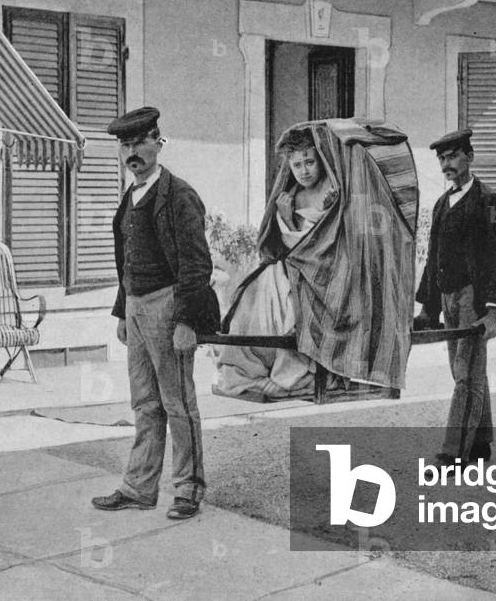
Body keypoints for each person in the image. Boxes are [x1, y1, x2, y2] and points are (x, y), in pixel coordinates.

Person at [91, 107, 220, 519]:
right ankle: (138, 488)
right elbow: (125, 259)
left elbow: (197, 266)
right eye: (125, 146)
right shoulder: (130, 197)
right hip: (137, 305)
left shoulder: (179, 196)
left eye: (139, 143)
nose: (132, 153)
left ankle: (188, 490)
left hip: (170, 305)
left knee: (178, 402)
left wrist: (186, 320)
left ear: (157, 143)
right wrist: (122, 313)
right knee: (145, 403)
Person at [414, 128, 496, 466]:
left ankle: (455, 451)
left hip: (475, 299)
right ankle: (480, 443)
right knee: (466, 370)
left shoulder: (490, 201)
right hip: (447, 297)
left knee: (466, 371)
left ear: (470, 157)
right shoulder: (442, 203)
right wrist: (428, 308)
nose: (448, 164)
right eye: (442, 159)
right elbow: (433, 258)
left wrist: (493, 312)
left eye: (454, 156)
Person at [215, 127, 339, 397]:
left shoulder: (333, 191)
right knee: (252, 294)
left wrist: (326, 212)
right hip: (291, 267)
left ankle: (289, 374)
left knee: (286, 296)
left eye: (309, 162)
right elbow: (282, 245)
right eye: (297, 165)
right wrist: (285, 214)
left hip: (326, 271)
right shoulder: (290, 195)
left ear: (321, 160)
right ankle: (246, 369)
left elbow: (324, 245)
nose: (304, 171)